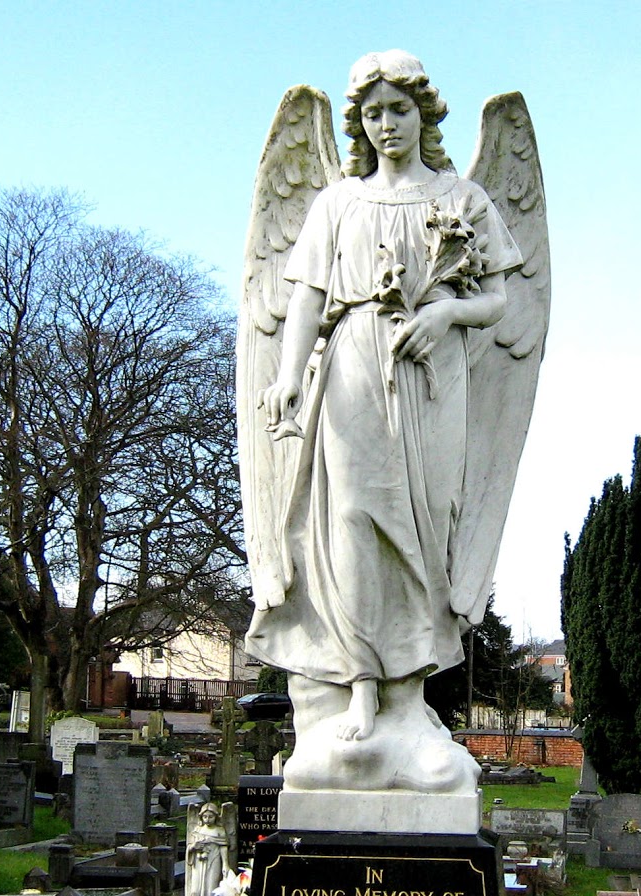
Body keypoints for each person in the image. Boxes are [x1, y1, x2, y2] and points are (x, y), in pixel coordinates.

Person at [248, 51, 523, 792]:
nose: (385, 125)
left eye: (398, 109)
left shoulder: (464, 198)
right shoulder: (337, 203)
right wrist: (284, 379)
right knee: (354, 522)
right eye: (372, 114)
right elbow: (303, 296)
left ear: (424, 114)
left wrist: (444, 312)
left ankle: (412, 700)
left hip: (434, 374)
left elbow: (499, 301)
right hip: (352, 366)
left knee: (428, 529)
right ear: (359, 124)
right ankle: (361, 682)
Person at [184, 801, 230, 896]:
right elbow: (189, 849)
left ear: (216, 817)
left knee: (211, 893)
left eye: (210, 816)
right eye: (205, 816)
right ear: (201, 817)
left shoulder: (219, 830)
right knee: (196, 892)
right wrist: (194, 847)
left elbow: (224, 847)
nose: (208, 819)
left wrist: (226, 865)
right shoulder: (197, 830)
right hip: (198, 865)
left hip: (214, 862)